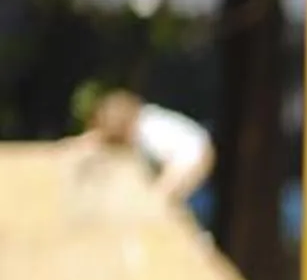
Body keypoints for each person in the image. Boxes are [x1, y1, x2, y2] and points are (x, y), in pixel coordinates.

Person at [72, 86, 217, 210]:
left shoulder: (147, 133)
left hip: (192, 154)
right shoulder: (143, 119)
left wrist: (163, 188)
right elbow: (100, 139)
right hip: (195, 145)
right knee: (162, 198)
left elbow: (178, 161)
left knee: (159, 201)